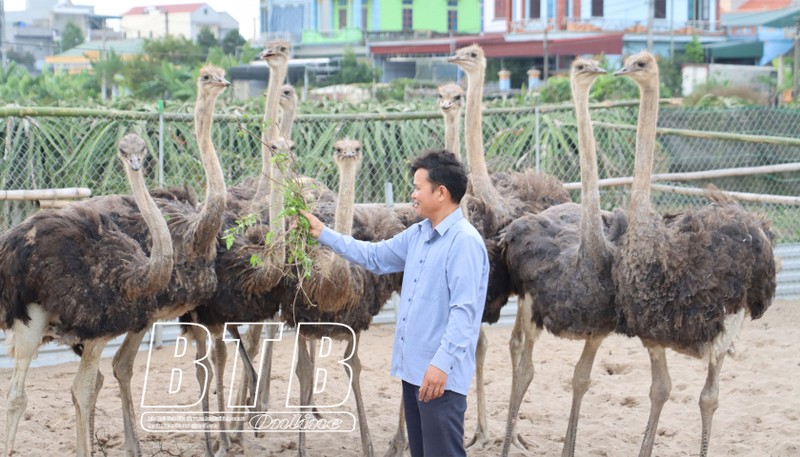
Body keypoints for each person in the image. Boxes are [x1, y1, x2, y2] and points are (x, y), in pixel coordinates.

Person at [300, 149, 489, 457]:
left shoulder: (463, 242)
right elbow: (373, 257)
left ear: (441, 193)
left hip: (439, 377)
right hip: (415, 372)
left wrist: (442, 364)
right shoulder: (418, 235)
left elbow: (464, 314)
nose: (412, 195)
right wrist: (324, 234)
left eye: (418, 187)